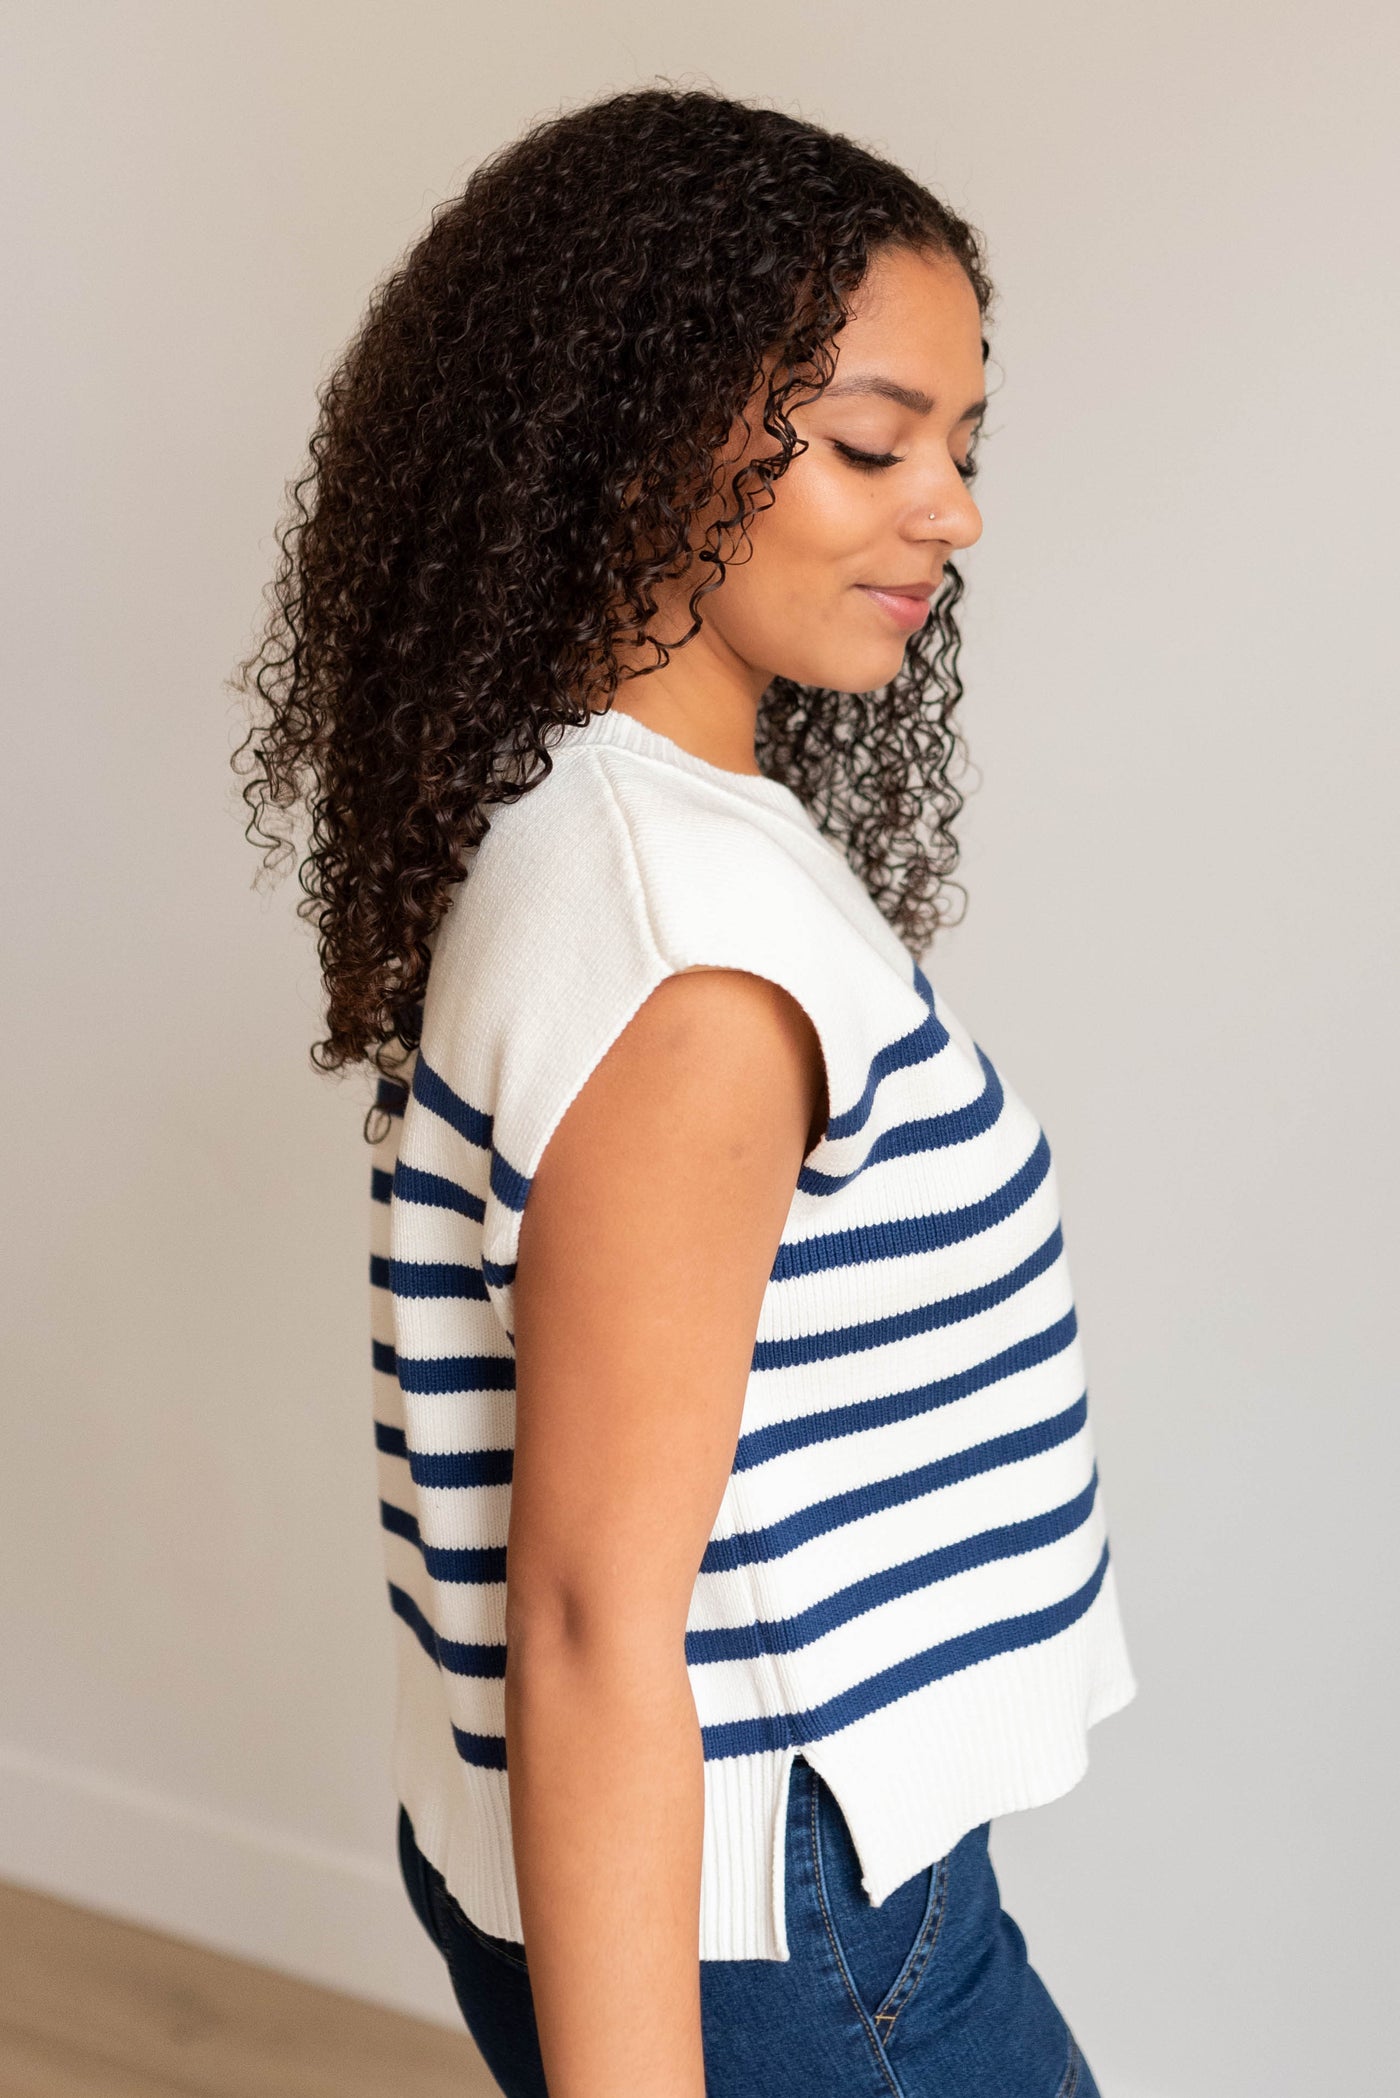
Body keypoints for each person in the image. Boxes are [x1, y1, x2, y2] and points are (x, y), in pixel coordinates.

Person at [234, 83, 1137, 2098]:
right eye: (871, 442)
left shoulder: (578, 808)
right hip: (777, 1906)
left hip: (710, 1864)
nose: (953, 510)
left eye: (963, 448)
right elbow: (583, 1613)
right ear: (640, 423)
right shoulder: (696, 950)